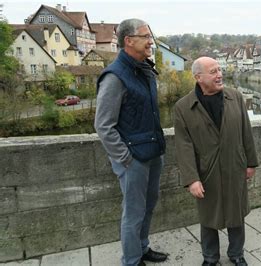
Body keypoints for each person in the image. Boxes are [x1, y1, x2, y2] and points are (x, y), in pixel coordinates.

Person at [94, 18, 168, 266]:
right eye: (146, 36)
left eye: (150, 36)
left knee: (147, 206)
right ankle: (132, 261)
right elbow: (103, 125)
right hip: (133, 159)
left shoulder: (143, 68)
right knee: (133, 213)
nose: (151, 41)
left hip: (152, 151)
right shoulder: (115, 76)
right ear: (129, 40)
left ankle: (142, 248)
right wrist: (125, 158)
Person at [174, 57, 258, 266]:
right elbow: (183, 146)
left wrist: (250, 163)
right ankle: (210, 258)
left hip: (234, 165)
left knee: (236, 213)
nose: (219, 74)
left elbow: (246, 131)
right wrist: (192, 179)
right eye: (213, 71)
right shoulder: (183, 107)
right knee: (208, 217)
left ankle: (236, 254)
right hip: (206, 171)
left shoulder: (235, 97)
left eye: (219, 70)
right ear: (198, 77)